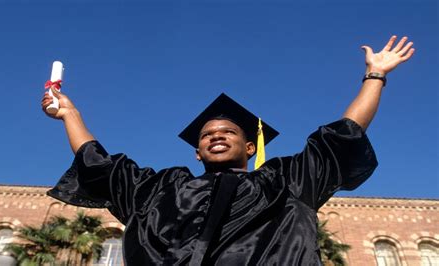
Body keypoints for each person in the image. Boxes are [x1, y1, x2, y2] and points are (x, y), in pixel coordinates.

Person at [42, 36, 414, 265]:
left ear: (250, 146)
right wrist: (71, 115)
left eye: (228, 132)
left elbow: (341, 136)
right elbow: (101, 167)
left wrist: (375, 76)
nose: (216, 136)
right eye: (207, 135)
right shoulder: (164, 189)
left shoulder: (285, 182)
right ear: (197, 153)